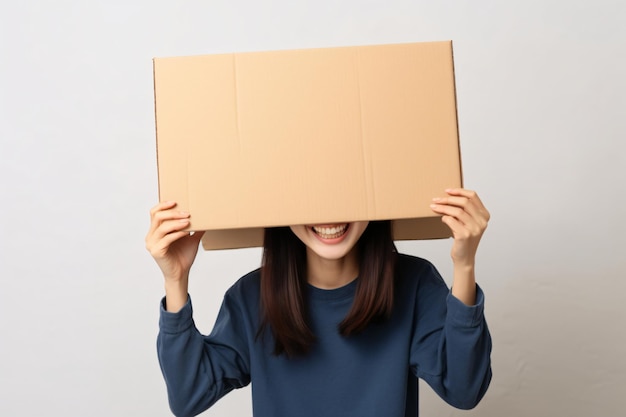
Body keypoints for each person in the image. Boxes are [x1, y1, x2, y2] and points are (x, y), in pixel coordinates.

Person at [146, 188, 492, 417]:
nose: (330, 216)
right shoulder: (251, 297)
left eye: (344, 193)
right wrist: (175, 279)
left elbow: (464, 389)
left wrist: (464, 265)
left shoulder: (413, 284)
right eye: (312, 193)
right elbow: (189, 396)